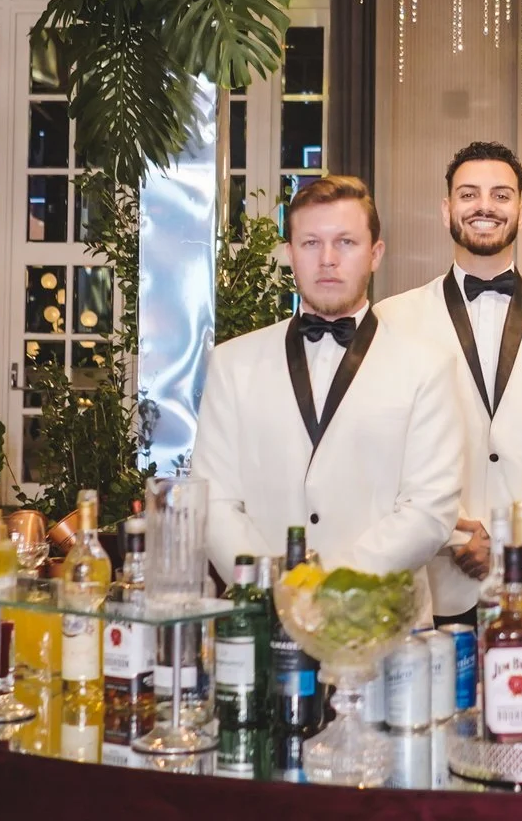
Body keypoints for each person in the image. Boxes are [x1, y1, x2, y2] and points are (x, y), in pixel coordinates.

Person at [193, 174, 468, 614]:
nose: (327, 259)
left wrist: (332, 592)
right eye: (310, 243)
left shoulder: (427, 367)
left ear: (375, 254)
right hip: (267, 619)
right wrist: (276, 592)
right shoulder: (232, 364)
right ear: (289, 254)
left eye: (345, 242)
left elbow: (429, 509)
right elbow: (214, 501)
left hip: (382, 623)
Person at [376, 140, 522, 626]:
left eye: (500, 195)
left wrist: (508, 537)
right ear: (447, 210)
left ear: (521, 212)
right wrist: (457, 535)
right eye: (469, 194)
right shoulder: (391, 319)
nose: (484, 206)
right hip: (432, 573)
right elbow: (387, 448)